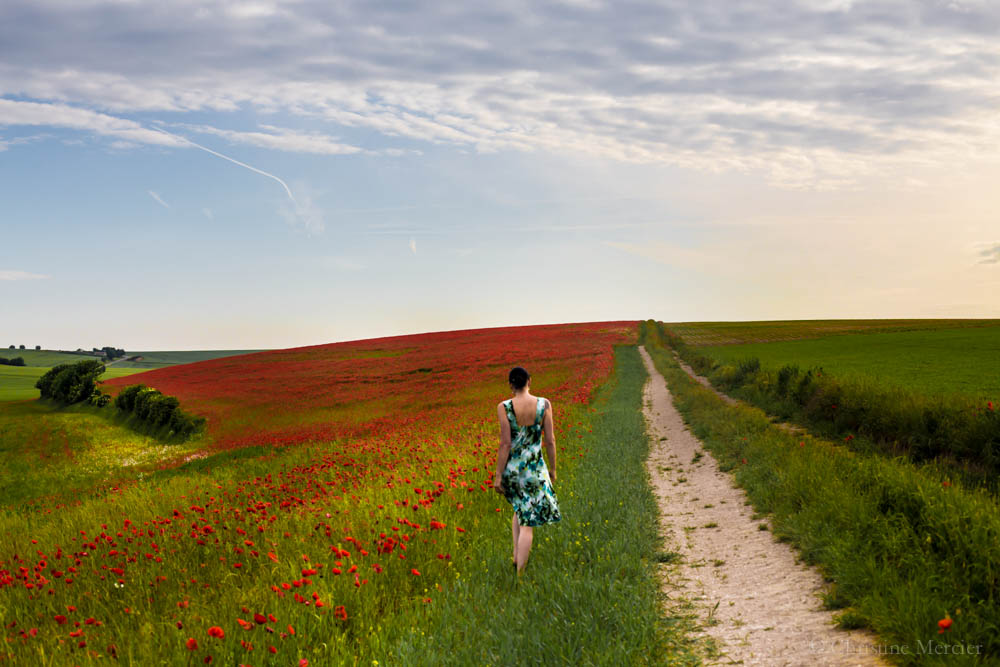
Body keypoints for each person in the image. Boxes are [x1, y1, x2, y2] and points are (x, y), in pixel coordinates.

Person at [493, 366, 561, 574]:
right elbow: (550, 441)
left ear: (511, 385)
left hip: (513, 472)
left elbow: (505, 444)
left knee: (520, 509)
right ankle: (520, 573)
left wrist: (498, 475)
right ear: (529, 381)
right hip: (535, 471)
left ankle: (516, 558)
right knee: (527, 524)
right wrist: (553, 469)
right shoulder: (544, 405)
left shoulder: (504, 407)